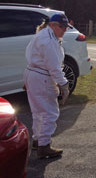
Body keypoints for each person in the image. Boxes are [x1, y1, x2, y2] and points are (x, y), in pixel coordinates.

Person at [24, 13, 72, 159]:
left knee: (38, 111)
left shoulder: (43, 35)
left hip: (33, 73)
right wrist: (64, 84)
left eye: (66, 27)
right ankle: (44, 146)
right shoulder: (49, 40)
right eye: (62, 27)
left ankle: (38, 141)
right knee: (50, 112)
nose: (64, 30)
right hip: (42, 77)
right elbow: (53, 67)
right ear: (53, 25)